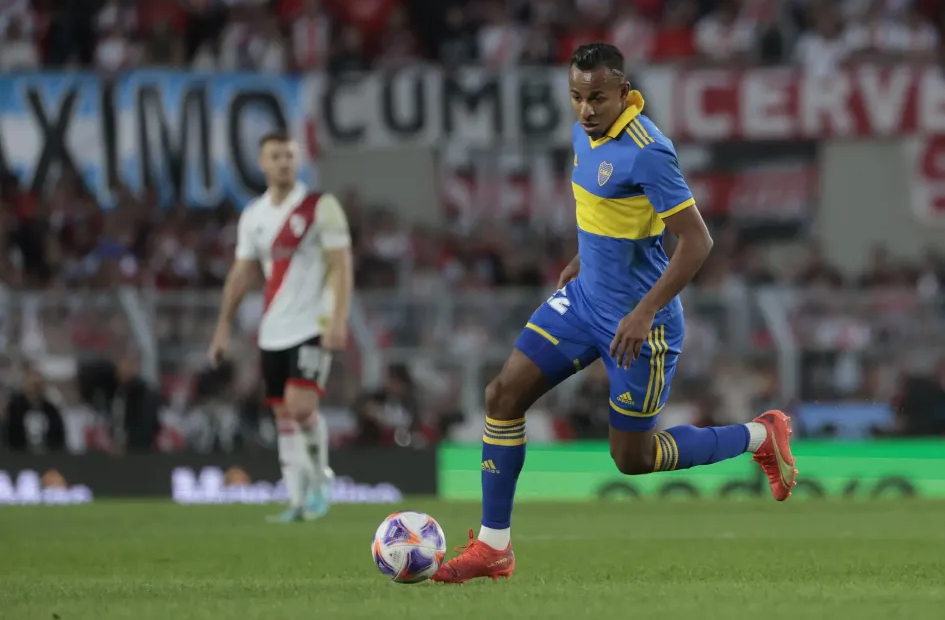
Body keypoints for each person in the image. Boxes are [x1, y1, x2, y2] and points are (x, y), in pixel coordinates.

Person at [432, 43, 797, 584]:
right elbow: (608, 209)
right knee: (502, 396)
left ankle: (761, 436)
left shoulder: (649, 150)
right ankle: (493, 547)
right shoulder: (585, 133)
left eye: (597, 97)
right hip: (583, 302)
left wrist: (645, 311)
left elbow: (698, 242)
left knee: (632, 458)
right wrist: (586, 256)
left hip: (639, 325)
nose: (585, 109)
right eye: (577, 97)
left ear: (622, 92)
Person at [208, 132, 353, 523]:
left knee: (301, 405)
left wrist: (338, 318)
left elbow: (341, 265)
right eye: (276, 156)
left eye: (289, 155)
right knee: (282, 414)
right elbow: (241, 274)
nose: (284, 162)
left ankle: (321, 480)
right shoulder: (253, 216)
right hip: (273, 327)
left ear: (298, 160)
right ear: (262, 163)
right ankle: (297, 498)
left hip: (312, 324)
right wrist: (222, 326)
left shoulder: (320, 207)